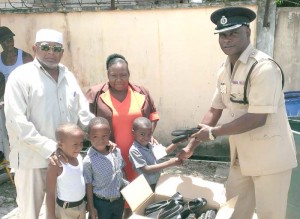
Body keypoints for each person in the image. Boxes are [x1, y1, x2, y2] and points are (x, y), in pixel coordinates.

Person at [177, 6, 297, 219]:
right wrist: (190, 146)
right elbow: (214, 109)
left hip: (270, 158)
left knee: (270, 215)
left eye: (233, 33)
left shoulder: (264, 68)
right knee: (235, 211)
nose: (227, 40)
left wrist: (214, 133)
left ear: (248, 32)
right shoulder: (224, 70)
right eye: (222, 35)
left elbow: (257, 118)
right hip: (241, 157)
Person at [4, 28, 94, 219]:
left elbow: (83, 111)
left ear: (62, 52)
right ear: (34, 48)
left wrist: (99, 135)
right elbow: (17, 121)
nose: (51, 53)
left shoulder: (67, 76)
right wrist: (51, 148)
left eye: (56, 48)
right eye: (45, 47)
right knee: (31, 213)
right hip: (32, 160)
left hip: (64, 160)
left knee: (61, 210)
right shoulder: (20, 77)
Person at [85, 53, 159, 217]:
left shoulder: (141, 92)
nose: (119, 79)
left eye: (123, 75)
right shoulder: (96, 95)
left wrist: (150, 133)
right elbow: (85, 121)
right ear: (107, 74)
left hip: (138, 156)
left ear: (129, 74)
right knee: (115, 193)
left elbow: (153, 114)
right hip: (110, 157)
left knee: (137, 193)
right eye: (114, 75)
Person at [83, 117, 129, 219]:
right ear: (88, 137)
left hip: (118, 201)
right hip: (101, 204)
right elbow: (88, 185)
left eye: (104, 136)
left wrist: (127, 188)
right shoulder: (88, 161)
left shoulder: (116, 152)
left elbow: (122, 171)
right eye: (95, 136)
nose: (100, 140)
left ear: (109, 134)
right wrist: (91, 207)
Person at [0, 26, 33, 160]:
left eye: (11, 38)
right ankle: (10, 158)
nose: (9, 42)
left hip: (23, 99)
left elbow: (34, 80)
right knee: (8, 131)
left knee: (25, 128)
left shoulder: (24, 57)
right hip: (5, 101)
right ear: (1, 43)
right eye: (5, 40)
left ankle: (28, 156)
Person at [129, 117, 182, 191]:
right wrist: (169, 163)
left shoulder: (150, 144)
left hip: (159, 180)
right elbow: (146, 169)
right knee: (152, 201)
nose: (146, 138)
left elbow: (165, 151)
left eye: (149, 134)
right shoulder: (134, 150)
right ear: (133, 133)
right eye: (142, 134)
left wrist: (177, 142)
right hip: (148, 185)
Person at [46, 123, 86, 219]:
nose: (79, 147)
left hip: (81, 207)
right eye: (75, 144)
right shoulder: (56, 165)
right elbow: (50, 193)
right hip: (66, 211)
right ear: (60, 144)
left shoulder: (79, 157)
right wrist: (51, 215)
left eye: (81, 143)